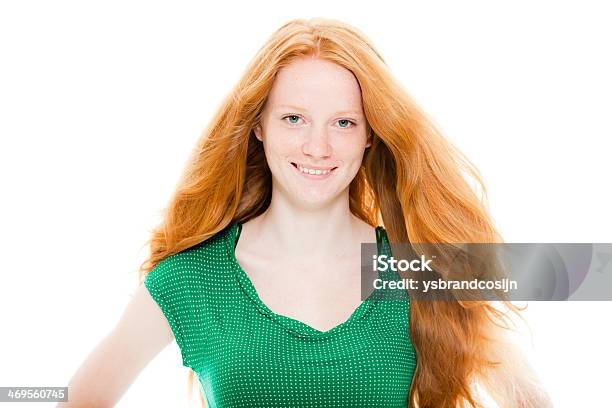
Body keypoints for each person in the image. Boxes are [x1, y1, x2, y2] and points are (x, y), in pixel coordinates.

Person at [59, 17, 553, 407]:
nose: (318, 146)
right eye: (294, 118)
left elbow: (530, 398)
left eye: (343, 122)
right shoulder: (191, 281)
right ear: (259, 126)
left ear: (369, 135)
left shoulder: (417, 269)